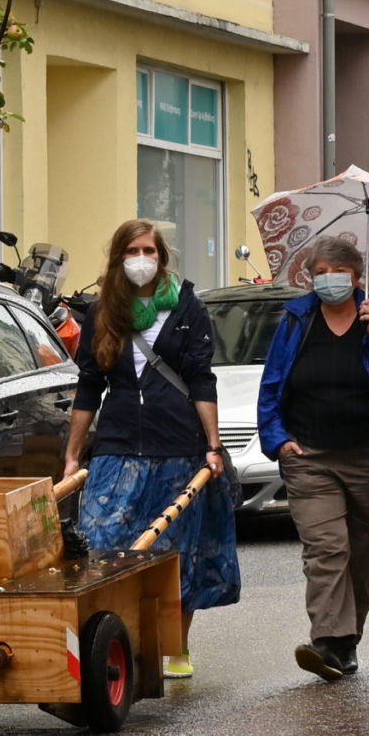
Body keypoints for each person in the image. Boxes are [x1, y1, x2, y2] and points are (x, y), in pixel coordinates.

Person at [63, 220, 238, 678]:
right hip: (117, 447)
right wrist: (73, 453)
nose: (142, 258)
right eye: (133, 250)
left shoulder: (187, 309)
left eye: (150, 251)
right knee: (103, 544)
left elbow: (202, 379)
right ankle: (111, 643)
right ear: (119, 257)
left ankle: (174, 647)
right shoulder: (103, 311)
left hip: (179, 447)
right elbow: (88, 386)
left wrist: (214, 446)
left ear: (162, 258)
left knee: (173, 552)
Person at [256, 240, 369, 682]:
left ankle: (346, 641)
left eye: (339, 269)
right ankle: (326, 640)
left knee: (362, 553)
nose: (329, 277)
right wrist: (278, 440)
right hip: (310, 458)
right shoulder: (296, 319)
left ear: (357, 276)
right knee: (327, 549)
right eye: (321, 270)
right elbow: (272, 384)